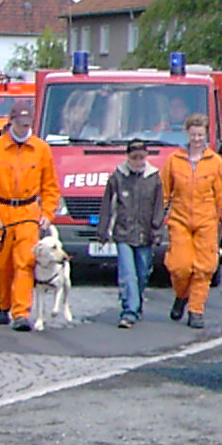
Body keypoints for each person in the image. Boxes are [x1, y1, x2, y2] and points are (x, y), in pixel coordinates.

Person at [0, 99, 60, 331]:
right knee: (1, 266)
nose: (24, 128)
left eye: (27, 124)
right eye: (20, 124)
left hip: (28, 211)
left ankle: (21, 313)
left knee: (25, 263)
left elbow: (50, 186)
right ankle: (3, 305)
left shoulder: (41, 149)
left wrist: (47, 213)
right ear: (11, 121)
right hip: (1, 211)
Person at [160, 114, 222, 329]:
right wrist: (158, 216)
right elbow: (164, 192)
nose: (197, 139)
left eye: (200, 135)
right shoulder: (174, 160)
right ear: (187, 134)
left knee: (204, 268)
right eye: (193, 135)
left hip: (207, 221)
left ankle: (196, 310)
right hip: (179, 220)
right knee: (179, 267)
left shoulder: (215, 162)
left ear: (206, 134)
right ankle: (181, 296)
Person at [99, 139, 166, 328]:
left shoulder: (153, 178)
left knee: (142, 273)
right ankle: (129, 311)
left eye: (141, 158)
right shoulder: (117, 177)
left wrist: (157, 230)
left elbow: (158, 207)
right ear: (127, 157)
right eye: (134, 158)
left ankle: (136, 303)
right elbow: (107, 206)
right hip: (123, 232)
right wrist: (103, 230)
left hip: (145, 233)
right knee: (128, 274)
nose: (137, 162)